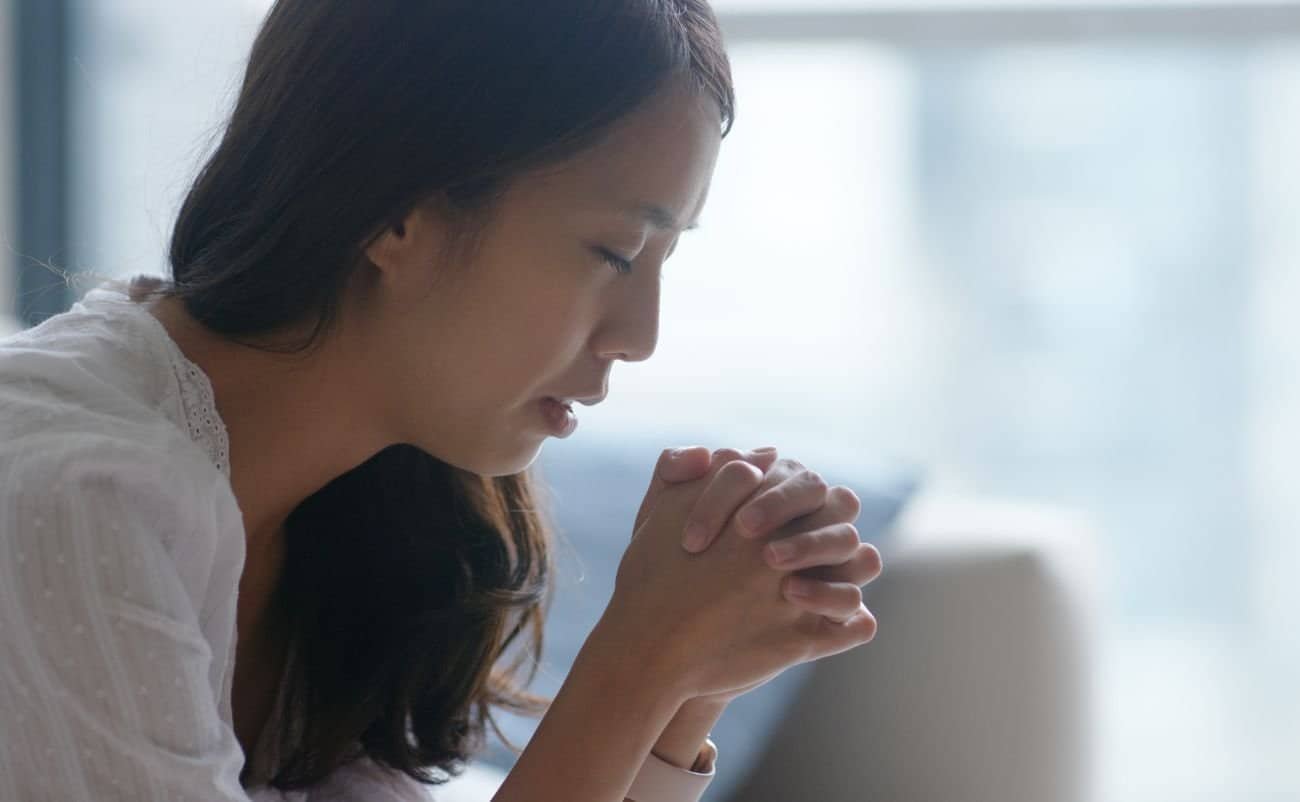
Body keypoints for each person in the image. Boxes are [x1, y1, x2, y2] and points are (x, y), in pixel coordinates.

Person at [0, 2, 883, 800]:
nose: (640, 334)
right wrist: (636, 669)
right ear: (395, 214)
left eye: (664, 260)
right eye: (613, 253)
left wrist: (688, 691)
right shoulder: (72, 503)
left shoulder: (371, 510)